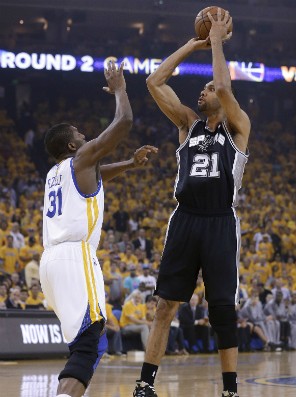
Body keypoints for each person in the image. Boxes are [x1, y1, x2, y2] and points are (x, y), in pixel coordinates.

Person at [133, 9, 251, 397]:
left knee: (221, 310)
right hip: (185, 219)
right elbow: (155, 81)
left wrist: (216, 41)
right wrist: (193, 43)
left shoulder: (238, 127)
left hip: (219, 221)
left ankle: (230, 390)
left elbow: (225, 88)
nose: (203, 91)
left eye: (207, 88)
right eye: (201, 88)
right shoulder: (187, 124)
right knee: (165, 305)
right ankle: (144, 384)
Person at [39, 61, 158, 397]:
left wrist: (131, 165)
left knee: (84, 344)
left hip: (52, 261)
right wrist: (120, 89)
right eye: (80, 134)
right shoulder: (81, 160)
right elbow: (124, 122)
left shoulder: (56, 174)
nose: (85, 136)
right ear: (74, 147)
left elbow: (98, 174)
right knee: (90, 343)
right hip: (76, 258)